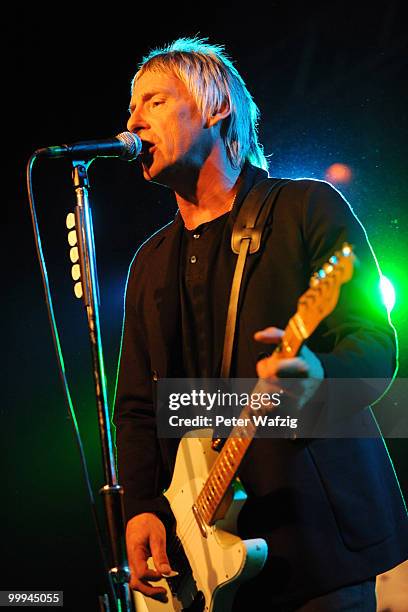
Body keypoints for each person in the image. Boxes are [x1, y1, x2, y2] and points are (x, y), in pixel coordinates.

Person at [113, 37, 408, 611]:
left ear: (216, 105)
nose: (132, 122)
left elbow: (377, 347)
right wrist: (142, 507)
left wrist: (318, 376)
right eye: (130, 108)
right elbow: (138, 406)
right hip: (207, 564)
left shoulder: (304, 209)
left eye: (152, 101)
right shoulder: (148, 263)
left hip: (317, 543)